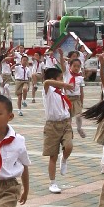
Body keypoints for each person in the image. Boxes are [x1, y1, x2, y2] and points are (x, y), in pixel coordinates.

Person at [42, 65, 74, 194]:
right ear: (54, 80)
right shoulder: (48, 91)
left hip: (65, 123)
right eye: (60, 79)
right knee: (53, 156)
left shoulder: (61, 92)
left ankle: (64, 159)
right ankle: (53, 183)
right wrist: (64, 84)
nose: (63, 81)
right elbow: (46, 82)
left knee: (69, 146)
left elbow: (66, 107)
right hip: (52, 126)